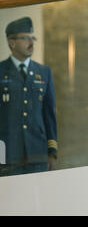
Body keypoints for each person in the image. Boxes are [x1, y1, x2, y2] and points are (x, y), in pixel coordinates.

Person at [0, 17, 57, 176]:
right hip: (7, 155)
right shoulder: (1, 71)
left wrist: (52, 152)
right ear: (11, 42)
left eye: (33, 38)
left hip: (37, 154)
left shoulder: (44, 72)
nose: (31, 43)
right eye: (26, 38)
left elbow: (49, 115)